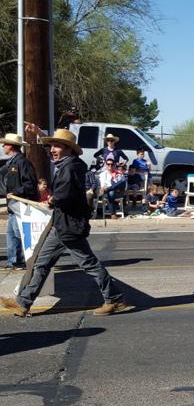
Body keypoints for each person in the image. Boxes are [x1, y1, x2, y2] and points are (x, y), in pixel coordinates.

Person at [1, 129, 131, 317]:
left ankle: (115, 298)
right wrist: (39, 134)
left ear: (69, 149)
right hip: (61, 224)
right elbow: (56, 168)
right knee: (40, 263)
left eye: (57, 146)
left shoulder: (70, 168)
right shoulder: (67, 163)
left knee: (89, 264)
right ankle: (23, 303)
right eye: (51, 146)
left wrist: (52, 200)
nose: (52, 149)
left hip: (70, 226)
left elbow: (64, 194)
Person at [0, 133, 38, 270]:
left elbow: (30, 184)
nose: (3, 146)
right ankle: (13, 261)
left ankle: (20, 261)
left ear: (11, 146)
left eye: (5, 144)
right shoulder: (11, 162)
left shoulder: (22, 162)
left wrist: (16, 192)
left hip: (20, 204)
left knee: (18, 234)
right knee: (11, 234)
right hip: (13, 205)